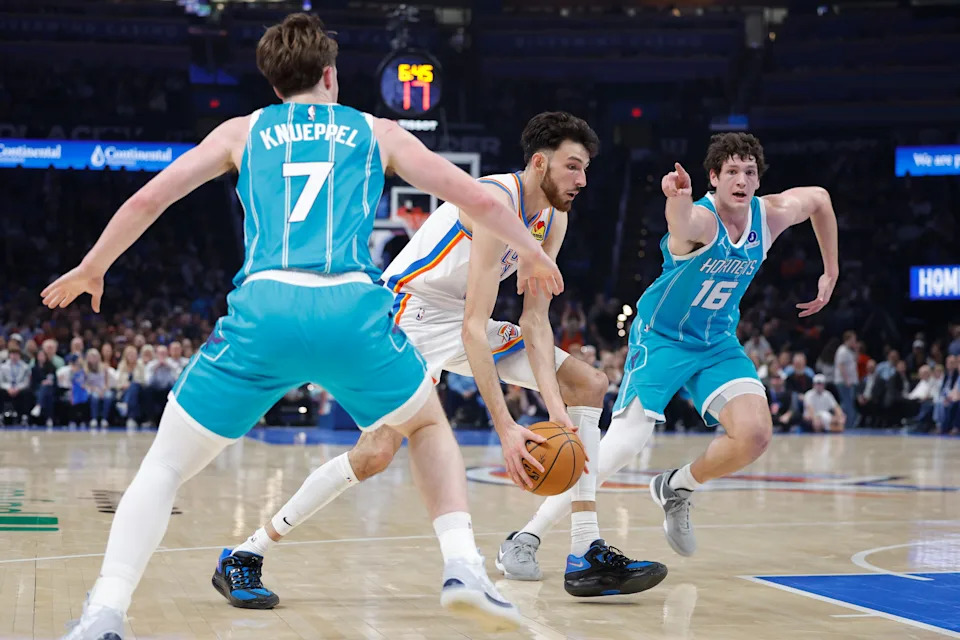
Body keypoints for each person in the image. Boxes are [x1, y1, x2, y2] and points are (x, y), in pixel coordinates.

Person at [47, 14, 563, 640]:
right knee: (426, 424)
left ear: (274, 85)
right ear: (329, 75)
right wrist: (531, 251)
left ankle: (106, 612)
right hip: (351, 307)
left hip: (266, 307)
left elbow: (148, 199)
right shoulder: (377, 131)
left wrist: (93, 266)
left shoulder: (242, 131)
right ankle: (462, 568)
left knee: (164, 466)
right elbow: (480, 200)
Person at [218, 112, 665, 605]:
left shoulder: (555, 217)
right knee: (374, 455)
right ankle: (245, 553)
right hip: (405, 316)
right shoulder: (495, 204)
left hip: (455, 316)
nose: (582, 180)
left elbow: (536, 321)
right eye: (572, 167)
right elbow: (476, 330)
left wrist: (558, 413)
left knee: (588, 385)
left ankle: (585, 552)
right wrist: (508, 427)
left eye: (585, 169)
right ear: (540, 164)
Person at [498, 132, 838, 565]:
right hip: (661, 338)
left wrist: (831, 271)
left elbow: (821, 200)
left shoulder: (768, 215)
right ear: (713, 178)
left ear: (757, 180)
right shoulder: (703, 219)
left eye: (749, 172)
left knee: (754, 435)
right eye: (731, 171)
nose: (742, 179)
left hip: (716, 342)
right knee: (623, 446)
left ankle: (677, 487)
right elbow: (682, 225)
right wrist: (676, 200)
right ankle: (525, 537)